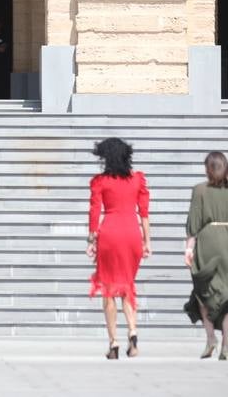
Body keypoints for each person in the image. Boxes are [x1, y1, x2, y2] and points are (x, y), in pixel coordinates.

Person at [86, 137, 151, 359]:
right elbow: (144, 213)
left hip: (110, 234)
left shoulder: (100, 182)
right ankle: (133, 331)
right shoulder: (137, 180)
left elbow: (94, 212)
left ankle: (113, 342)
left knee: (108, 289)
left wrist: (91, 241)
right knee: (127, 285)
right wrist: (147, 241)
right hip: (132, 233)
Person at [185, 151, 228, 360]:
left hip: (208, 246)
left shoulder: (199, 190)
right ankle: (225, 346)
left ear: (208, 168)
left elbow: (193, 224)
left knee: (203, 295)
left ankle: (210, 340)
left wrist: (188, 249)